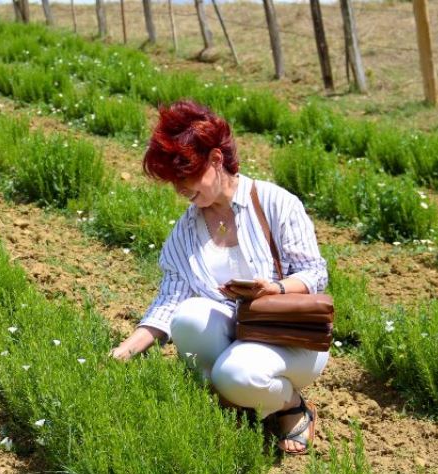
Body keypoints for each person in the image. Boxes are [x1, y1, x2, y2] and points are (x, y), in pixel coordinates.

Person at [110, 100, 329, 455]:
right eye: (173, 181)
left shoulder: (276, 203)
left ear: (215, 160)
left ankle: (291, 406)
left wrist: (272, 288)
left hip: (289, 338)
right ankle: (239, 407)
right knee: (189, 316)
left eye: (186, 176)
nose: (180, 188)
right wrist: (126, 349)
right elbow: (169, 302)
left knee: (234, 375)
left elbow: (315, 273)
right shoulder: (186, 229)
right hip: (238, 336)